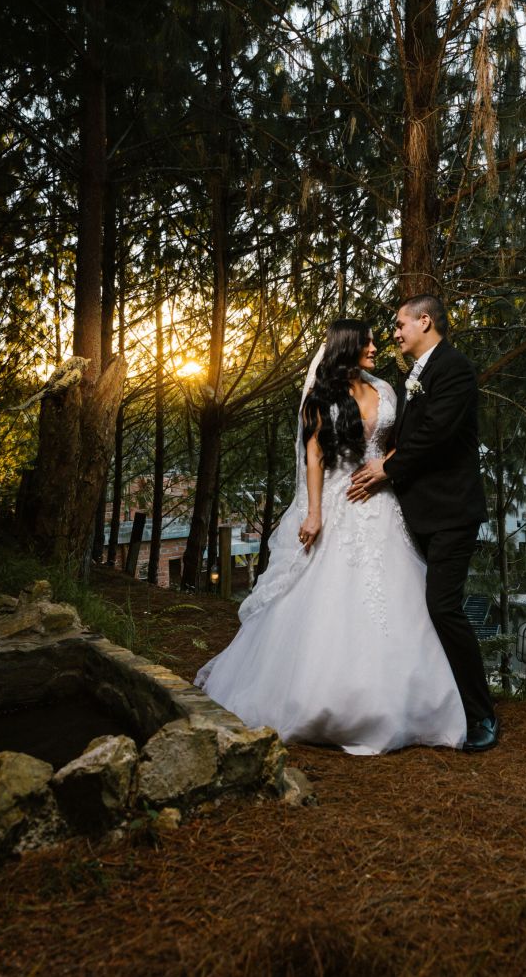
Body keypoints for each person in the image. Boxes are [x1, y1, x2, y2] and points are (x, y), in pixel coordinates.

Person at [194, 319, 466, 755]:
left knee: (397, 597)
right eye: (368, 341)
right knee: (326, 597)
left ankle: (408, 702)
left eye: (378, 339)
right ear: (348, 347)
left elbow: (406, 440)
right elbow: (314, 454)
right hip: (338, 503)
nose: (376, 346)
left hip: (381, 502)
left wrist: (387, 466)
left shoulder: (388, 392)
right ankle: (320, 700)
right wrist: (315, 512)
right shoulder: (320, 397)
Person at [348, 295, 499, 753]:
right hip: (422, 513)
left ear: (425, 321)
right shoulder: (414, 375)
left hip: (453, 513)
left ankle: (482, 715)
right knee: (419, 608)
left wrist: (387, 470)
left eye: (399, 324)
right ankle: (435, 702)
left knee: (443, 608)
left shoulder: (452, 368)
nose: (394, 333)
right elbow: (409, 435)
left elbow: (435, 435)